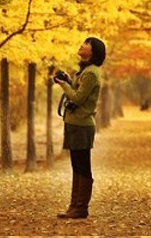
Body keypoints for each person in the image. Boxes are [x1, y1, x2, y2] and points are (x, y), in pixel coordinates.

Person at [53, 37, 106, 219]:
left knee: (82, 166)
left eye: (87, 44)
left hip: (82, 125)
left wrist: (63, 84)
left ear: (93, 52)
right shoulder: (84, 71)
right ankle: (74, 206)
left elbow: (77, 98)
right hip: (75, 123)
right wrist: (68, 79)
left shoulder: (91, 73)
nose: (82, 44)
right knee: (76, 166)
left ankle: (81, 207)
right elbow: (77, 91)